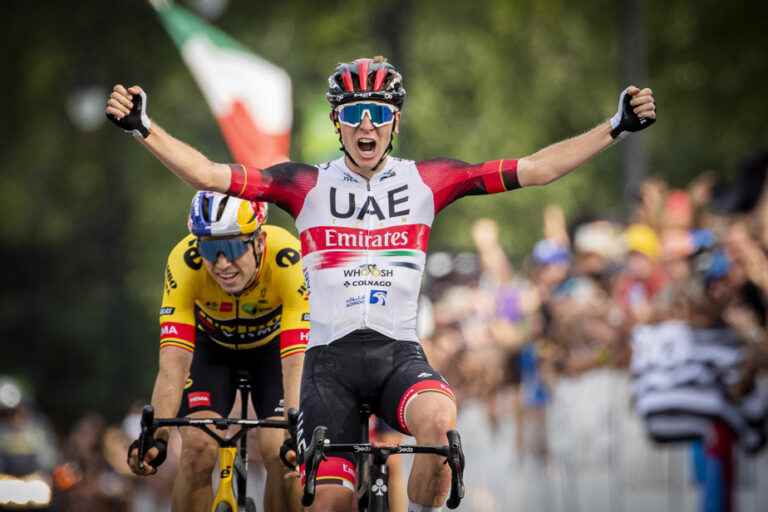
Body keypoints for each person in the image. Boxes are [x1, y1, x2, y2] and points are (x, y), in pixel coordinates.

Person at [106, 56, 656, 512]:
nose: (366, 125)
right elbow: (208, 176)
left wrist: (615, 126)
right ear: (338, 122)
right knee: (328, 504)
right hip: (328, 368)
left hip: (398, 356)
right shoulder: (303, 183)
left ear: (395, 122)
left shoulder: (428, 179)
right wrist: (142, 128)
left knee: (441, 427)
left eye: (378, 113)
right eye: (354, 114)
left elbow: (535, 169)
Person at [125, 191, 309, 512]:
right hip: (212, 353)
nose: (222, 263)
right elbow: (173, 362)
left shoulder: (289, 258)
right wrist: (158, 434)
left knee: (279, 449)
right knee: (197, 448)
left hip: (273, 354)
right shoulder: (185, 262)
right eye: (210, 248)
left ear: (259, 240)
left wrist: (298, 429)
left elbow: (296, 360)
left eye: (233, 246)